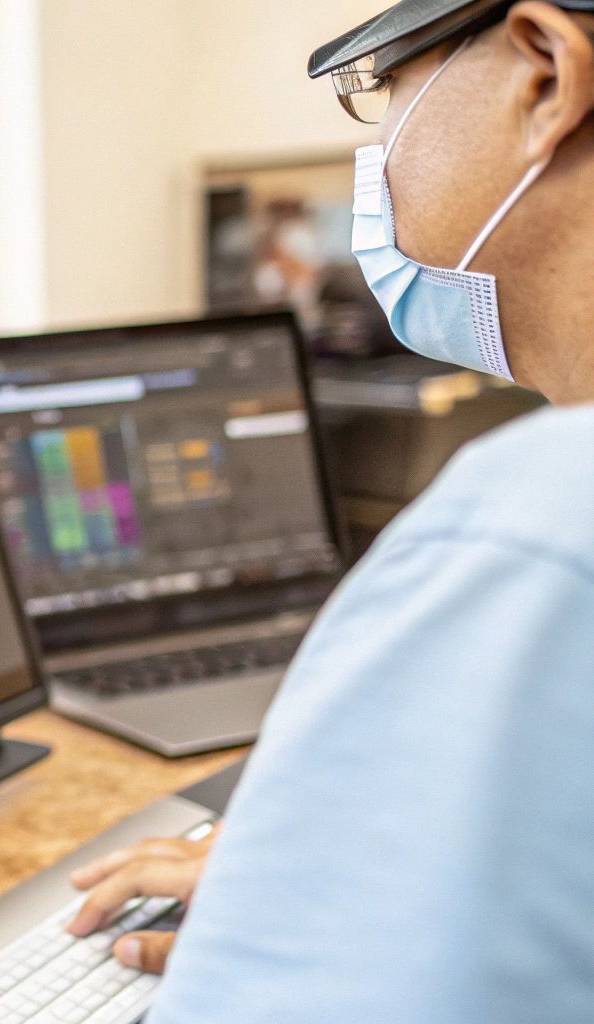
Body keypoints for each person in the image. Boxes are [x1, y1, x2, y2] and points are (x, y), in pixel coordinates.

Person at [69, 3, 594, 1020]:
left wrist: (303, 922)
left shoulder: (528, 535)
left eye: (378, 88)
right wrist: (359, 885)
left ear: (542, 77)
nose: (374, 148)